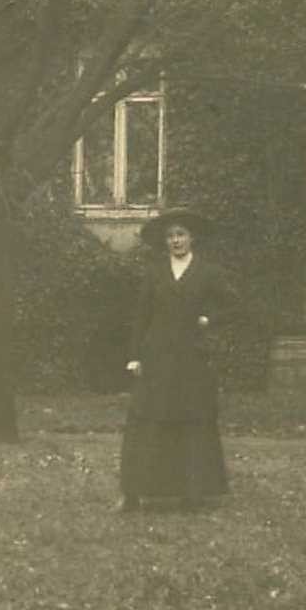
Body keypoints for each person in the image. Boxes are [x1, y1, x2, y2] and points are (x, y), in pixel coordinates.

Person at [118, 207, 235, 513]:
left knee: (192, 420)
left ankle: (192, 494)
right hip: (156, 358)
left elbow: (233, 306)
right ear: (165, 241)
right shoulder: (154, 273)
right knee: (147, 419)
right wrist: (134, 356)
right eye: (170, 236)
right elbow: (141, 316)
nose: (176, 240)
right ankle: (133, 494)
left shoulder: (209, 272)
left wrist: (209, 319)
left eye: (181, 234)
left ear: (192, 238)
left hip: (192, 358)